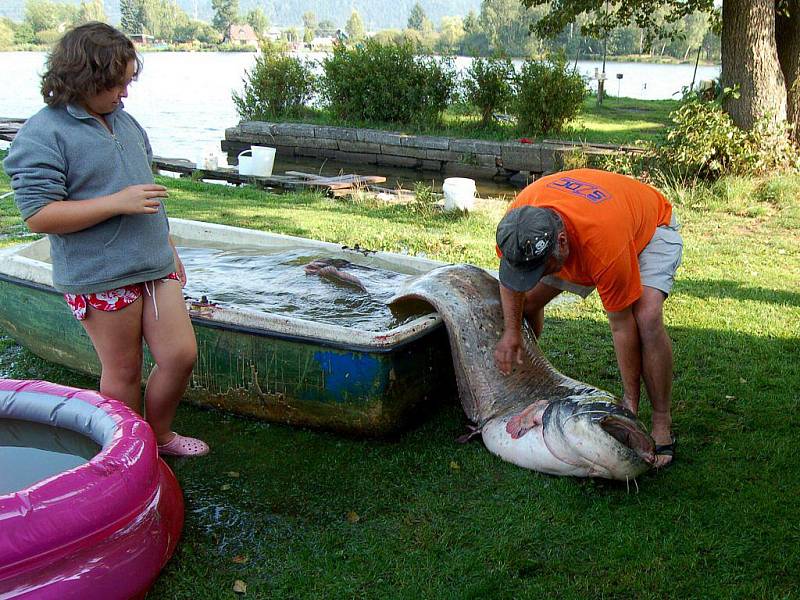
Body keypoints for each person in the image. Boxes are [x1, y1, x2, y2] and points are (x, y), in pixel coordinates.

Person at [3, 22, 209, 457]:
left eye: (127, 82)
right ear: (84, 78)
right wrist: (117, 202)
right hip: (101, 274)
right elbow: (39, 215)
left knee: (180, 355)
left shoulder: (125, 121)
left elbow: (145, 192)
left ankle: (160, 437)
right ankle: (129, 457)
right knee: (124, 372)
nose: (124, 93)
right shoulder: (41, 135)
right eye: (116, 83)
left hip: (154, 265)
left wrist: (168, 247)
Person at [493, 169, 682, 468]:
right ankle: (529, 384)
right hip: (591, 229)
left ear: (563, 243)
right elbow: (511, 282)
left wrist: (628, 404)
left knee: (646, 318)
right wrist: (512, 331)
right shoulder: (519, 227)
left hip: (651, 228)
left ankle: (661, 420)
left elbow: (622, 326)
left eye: (540, 269)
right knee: (525, 303)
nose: (534, 277)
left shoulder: (605, 244)